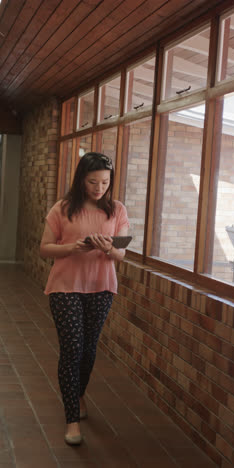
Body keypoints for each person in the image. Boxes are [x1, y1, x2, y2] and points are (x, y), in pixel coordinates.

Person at [40, 152, 129, 445]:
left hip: (102, 288)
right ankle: (72, 420)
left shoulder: (116, 211)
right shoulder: (62, 209)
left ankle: (78, 394)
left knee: (89, 350)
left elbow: (121, 254)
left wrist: (109, 249)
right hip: (65, 287)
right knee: (72, 348)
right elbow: (45, 248)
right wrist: (72, 249)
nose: (99, 187)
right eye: (93, 181)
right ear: (81, 180)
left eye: (105, 181)